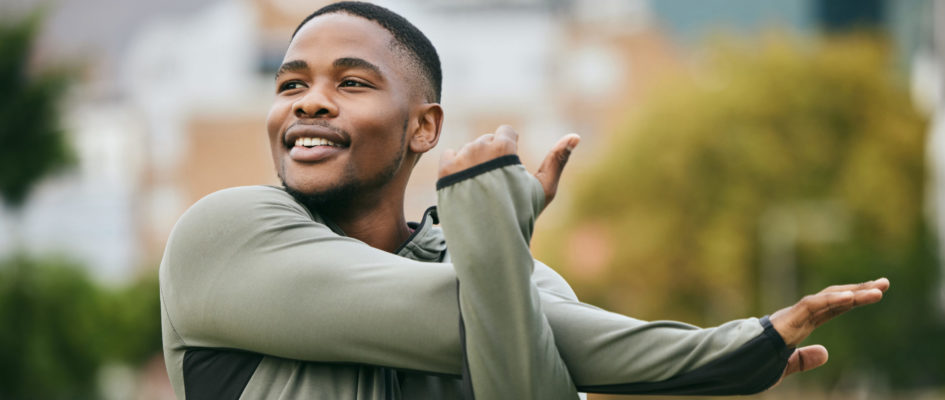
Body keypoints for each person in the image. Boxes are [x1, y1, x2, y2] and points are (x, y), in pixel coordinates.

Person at [159, 2, 889, 399]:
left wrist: (489, 236)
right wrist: (720, 355)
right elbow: (461, 320)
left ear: (424, 126)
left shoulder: (519, 280)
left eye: (351, 83)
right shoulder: (223, 236)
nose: (309, 103)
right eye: (290, 84)